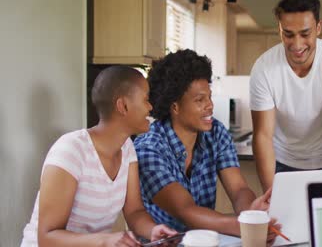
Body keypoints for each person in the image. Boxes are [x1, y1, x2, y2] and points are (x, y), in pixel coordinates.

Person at [21, 66, 177, 246]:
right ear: (123, 106)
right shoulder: (70, 150)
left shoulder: (127, 149)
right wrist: (105, 240)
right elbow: (47, 238)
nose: (150, 107)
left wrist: (153, 231)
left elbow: (135, 211)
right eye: (146, 99)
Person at [134, 49, 278, 243]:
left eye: (209, 97)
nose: (210, 105)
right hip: (164, 243)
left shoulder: (215, 133)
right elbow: (186, 211)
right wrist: (242, 226)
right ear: (175, 107)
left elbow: (239, 190)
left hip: (205, 240)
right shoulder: (149, 149)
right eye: (200, 100)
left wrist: (249, 214)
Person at [249, 0, 322, 191]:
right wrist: (271, 196)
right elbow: (263, 135)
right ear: (280, 29)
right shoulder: (263, 68)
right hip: (281, 162)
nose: (297, 45)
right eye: (288, 34)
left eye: (305, 34)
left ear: (318, 27)